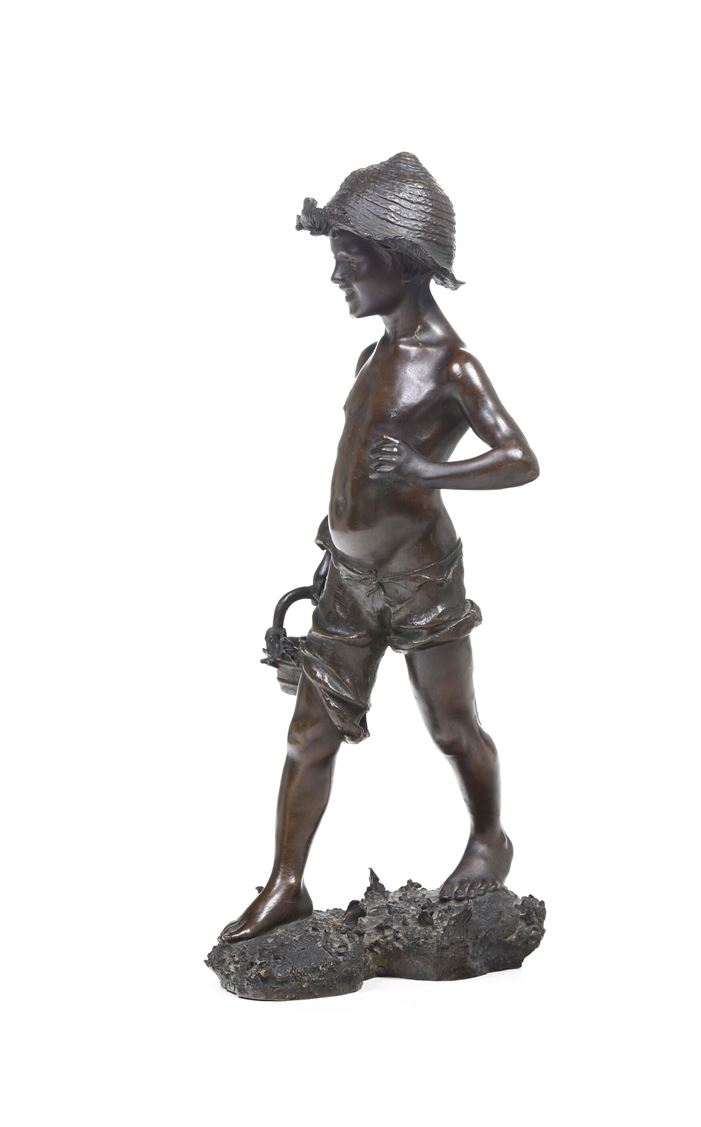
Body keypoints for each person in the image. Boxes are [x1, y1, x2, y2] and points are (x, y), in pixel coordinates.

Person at [220, 152, 538, 942]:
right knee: (309, 735)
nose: (338, 277)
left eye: (349, 259)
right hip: (348, 580)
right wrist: (331, 547)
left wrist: (432, 470)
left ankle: (489, 839)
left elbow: (520, 459)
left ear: (399, 260)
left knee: (452, 726)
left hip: (420, 580)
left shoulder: (453, 365)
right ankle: (287, 884)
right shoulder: (373, 356)